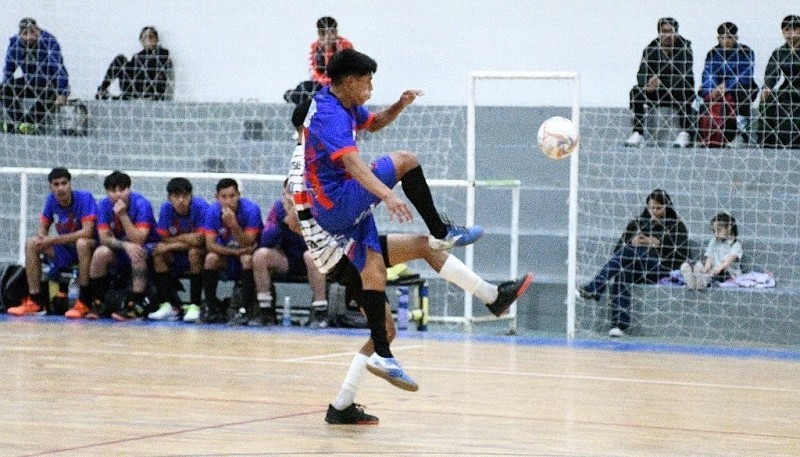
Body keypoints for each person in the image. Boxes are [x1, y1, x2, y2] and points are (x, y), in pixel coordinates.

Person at [304, 48, 484, 396]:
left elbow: (373, 124)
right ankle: (442, 232)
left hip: (340, 204)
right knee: (405, 160)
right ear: (351, 81)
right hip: (338, 202)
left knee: (374, 271)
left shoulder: (338, 100)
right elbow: (355, 165)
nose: (372, 86)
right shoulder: (330, 115)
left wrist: (399, 105)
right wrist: (386, 194)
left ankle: (382, 358)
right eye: (368, 81)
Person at [579, 189, 689, 338]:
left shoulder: (677, 226)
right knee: (624, 267)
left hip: (660, 270)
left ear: (666, 207)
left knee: (629, 253)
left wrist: (659, 244)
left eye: (658, 208)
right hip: (636, 270)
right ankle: (619, 325)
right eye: (651, 208)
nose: (654, 211)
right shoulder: (636, 224)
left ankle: (594, 288)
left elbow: (681, 257)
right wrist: (632, 242)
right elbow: (617, 251)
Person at [7, 168, 97, 316]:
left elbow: (87, 232)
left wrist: (53, 239)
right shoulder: (51, 200)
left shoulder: (85, 198)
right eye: (56, 184)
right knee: (31, 243)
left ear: (70, 184)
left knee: (82, 243)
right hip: (66, 248)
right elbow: (42, 229)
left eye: (64, 183)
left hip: (89, 248)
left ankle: (84, 301)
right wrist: (42, 238)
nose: (60, 188)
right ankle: (35, 301)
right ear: (51, 187)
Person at [80, 171, 160, 320]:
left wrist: (123, 215)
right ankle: (98, 302)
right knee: (100, 253)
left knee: (137, 251)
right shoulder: (103, 205)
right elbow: (104, 238)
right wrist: (124, 245)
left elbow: (139, 238)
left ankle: (134, 305)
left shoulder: (142, 204)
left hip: (148, 246)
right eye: (113, 190)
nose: (118, 195)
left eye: (122, 190)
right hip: (122, 248)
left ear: (129, 189)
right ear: (107, 192)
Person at [251, 181, 328, 327]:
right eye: (289, 192)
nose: (293, 196)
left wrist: (298, 221)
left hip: (315, 259)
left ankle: (320, 312)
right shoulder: (279, 209)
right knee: (260, 255)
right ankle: (265, 311)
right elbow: (266, 240)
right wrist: (283, 221)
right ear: (284, 194)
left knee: (311, 256)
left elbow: (320, 242)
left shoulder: (316, 208)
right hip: (288, 259)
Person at [625, 17, 696, 148]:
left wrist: (660, 81)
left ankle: (685, 133)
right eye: (664, 31)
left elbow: (682, 75)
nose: (668, 35)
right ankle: (638, 132)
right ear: (659, 33)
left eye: (671, 32)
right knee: (636, 92)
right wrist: (647, 84)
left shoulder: (685, 49)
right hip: (656, 92)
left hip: (677, 91)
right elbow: (641, 73)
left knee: (685, 90)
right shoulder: (650, 49)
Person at [201, 178, 262, 324]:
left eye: (232, 196)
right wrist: (234, 252)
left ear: (239, 195)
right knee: (210, 258)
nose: (228, 201)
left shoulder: (252, 210)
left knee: (247, 259)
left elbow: (249, 242)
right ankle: (211, 308)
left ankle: (243, 310)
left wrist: (234, 225)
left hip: (246, 253)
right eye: (224, 197)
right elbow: (210, 245)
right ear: (217, 197)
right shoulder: (212, 211)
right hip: (227, 254)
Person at [148, 177, 209, 322]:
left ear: (191, 196)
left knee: (194, 252)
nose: (181, 200)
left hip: (199, 254)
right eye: (177, 196)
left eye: (185, 196)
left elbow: (200, 240)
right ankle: (168, 305)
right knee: (158, 254)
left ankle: (195, 305)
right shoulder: (166, 209)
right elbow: (163, 238)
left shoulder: (201, 208)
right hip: (177, 254)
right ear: (169, 197)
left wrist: (170, 244)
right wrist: (187, 238)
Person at [1, 18, 69, 135]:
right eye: (25, 34)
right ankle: (19, 122)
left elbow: (59, 68)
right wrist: (7, 86)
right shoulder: (15, 44)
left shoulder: (49, 41)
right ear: (20, 34)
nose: (29, 37)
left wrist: (62, 92)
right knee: (3, 90)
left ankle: (28, 123)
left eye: (32, 33)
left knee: (50, 94)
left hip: (49, 84)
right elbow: (8, 69)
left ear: (38, 31)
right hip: (30, 82)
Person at [699, 22, 758, 145]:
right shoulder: (712, 53)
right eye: (723, 38)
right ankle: (701, 134)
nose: (726, 41)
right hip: (716, 88)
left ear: (736, 38)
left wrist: (726, 85)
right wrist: (712, 88)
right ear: (718, 38)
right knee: (700, 97)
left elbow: (746, 74)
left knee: (743, 94)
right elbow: (708, 73)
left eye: (730, 37)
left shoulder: (745, 52)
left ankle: (742, 135)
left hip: (739, 86)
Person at [283, 16, 354, 105]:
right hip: (322, 85)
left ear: (336, 32)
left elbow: (349, 72)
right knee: (305, 88)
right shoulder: (316, 47)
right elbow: (315, 71)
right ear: (319, 34)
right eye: (323, 33)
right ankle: (296, 97)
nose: (328, 37)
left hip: (341, 87)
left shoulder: (345, 47)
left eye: (332, 32)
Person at [95, 26, 173, 101]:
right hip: (133, 88)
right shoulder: (137, 57)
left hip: (150, 90)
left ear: (156, 39)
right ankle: (103, 89)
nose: (148, 40)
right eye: (145, 37)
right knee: (120, 59)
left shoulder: (162, 54)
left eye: (151, 37)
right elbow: (129, 72)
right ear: (141, 41)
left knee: (147, 63)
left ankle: (143, 96)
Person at [759, 14, 800, 149]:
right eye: (787, 30)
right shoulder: (780, 52)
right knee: (767, 99)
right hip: (787, 88)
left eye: (794, 29)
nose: (791, 33)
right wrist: (768, 87)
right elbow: (772, 72)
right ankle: (767, 141)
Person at [681, 211, 743, 290]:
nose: (716, 233)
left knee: (715, 275)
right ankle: (693, 282)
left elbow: (727, 262)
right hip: (713, 271)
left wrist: (717, 269)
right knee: (702, 268)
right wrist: (707, 267)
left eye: (719, 230)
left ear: (729, 228)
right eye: (714, 231)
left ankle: (699, 282)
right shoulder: (714, 241)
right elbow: (709, 257)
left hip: (728, 273)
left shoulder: (735, 245)